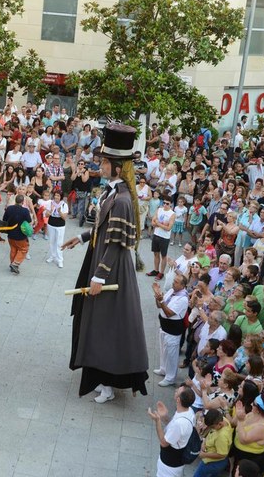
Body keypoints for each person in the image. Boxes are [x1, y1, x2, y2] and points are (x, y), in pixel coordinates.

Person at [61, 123, 149, 403]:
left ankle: (110, 382)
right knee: (100, 324)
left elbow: (115, 244)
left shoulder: (122, 199)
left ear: (117, 167)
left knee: (108, 325)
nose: (99, 165)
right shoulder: (114, 192)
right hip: (101, 261)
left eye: (104, 162)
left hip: (111, 272)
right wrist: (83, 237)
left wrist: (99, 278)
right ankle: (102, 378)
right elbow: (104, 228)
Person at [147, 386, 196, 477]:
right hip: (176, 461)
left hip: (169, 465)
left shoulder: (180, 423)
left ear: (178, 400)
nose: (176, 390)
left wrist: (157, 421)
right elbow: (173, 428)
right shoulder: (189, 412)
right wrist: (164, 417)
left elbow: (163, 442)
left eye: (178, 390)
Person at [153, 273, 189, 387]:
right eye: (174, 281)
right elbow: (159, 306)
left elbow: (169, 313)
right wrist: (157, 296)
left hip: (173, 329)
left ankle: (170, 378)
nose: (173, 283)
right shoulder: (171, 291)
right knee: (164, 350)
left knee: (172, 354)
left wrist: (161, 301)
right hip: (164, 326)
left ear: (183, 285)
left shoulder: (183, 299)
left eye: (176, 282)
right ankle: (163, 369)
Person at [195, 408, 233, 477]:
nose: (211, 428)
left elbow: (222, 454)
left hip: (213, 462)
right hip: (217, 461)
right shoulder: (223, 419)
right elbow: (211, 432)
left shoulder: (222, 437)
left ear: (220, 424)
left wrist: (204, 455)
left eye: (212, 427)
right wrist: (204, 442)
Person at [45, 190, 68, 268]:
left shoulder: (64, 205)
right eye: (55, 195)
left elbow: (64, 217)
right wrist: (51, 210)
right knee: (52, 241)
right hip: (51, 224)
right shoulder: (50, 203)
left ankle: (60, 260)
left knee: (59, 243)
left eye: (58, 195)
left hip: (60, 226)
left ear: (61, 197)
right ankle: (52, 256)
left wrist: (60, 212)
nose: (56, 197)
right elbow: (46, 215)